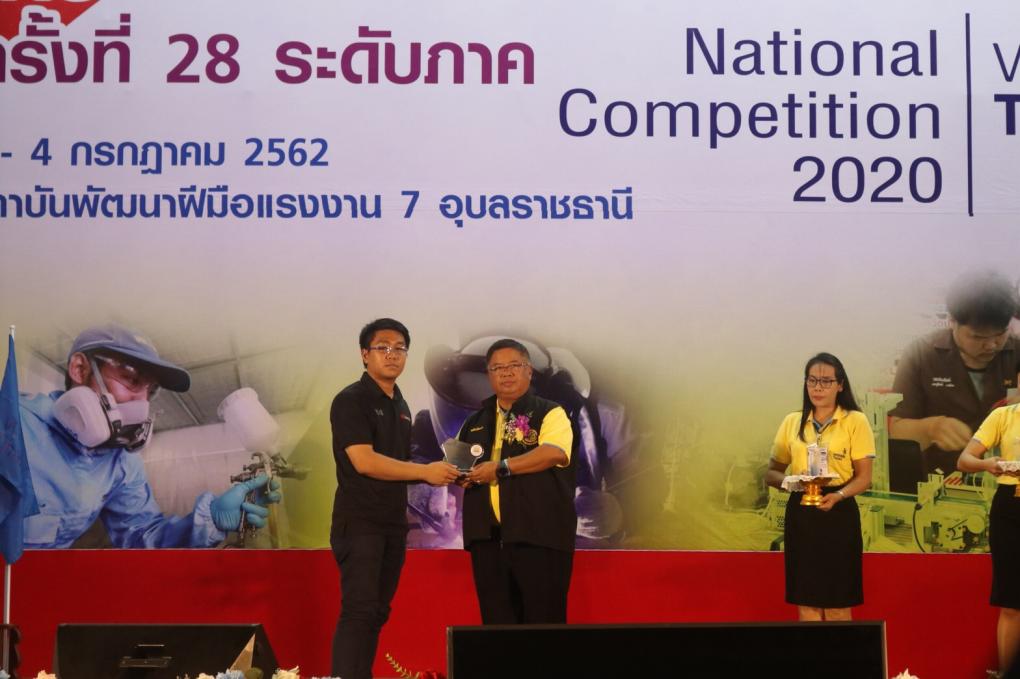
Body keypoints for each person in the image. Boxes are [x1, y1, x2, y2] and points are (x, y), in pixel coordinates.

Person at [19, 323, 279, 548]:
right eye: (131, 380)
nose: (143, 404)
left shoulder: (122, 462)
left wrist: (212, 519)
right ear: (79, 369)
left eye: (150, 391)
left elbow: (141, 535)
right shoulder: (14, 422)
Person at [407, 334, 646, 549]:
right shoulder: (448, 421)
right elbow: (420, 444)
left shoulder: (605, 419)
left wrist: (619, 514)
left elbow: (648, 492)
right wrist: (419, 483)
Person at [329, 318, 460, 679]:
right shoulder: (350, 400)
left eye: (400, 348)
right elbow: (364, 461)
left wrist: (450, 471)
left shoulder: (401, 406)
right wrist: (425, 472)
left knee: (376, 612)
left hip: (392, 524)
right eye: (382, 347)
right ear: (364, 354)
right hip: (360, 522)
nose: (392, 354)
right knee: (359, 610)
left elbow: (402, 465)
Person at [459, 338, 576, 624]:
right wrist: (460, 476)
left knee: (543, 624)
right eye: (498, 368)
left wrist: (501, 468)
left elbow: (554, 453)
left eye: (514, 365)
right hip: (487, 541)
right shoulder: (474, 421)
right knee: (496, 625)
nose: (506, 373)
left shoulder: (550, 412)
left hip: (539, 537)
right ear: (489, 375)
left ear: (529, 371)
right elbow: (459, 465)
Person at [766, 353, 875, 621]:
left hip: (839, 510)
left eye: (826, 381)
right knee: (807, 602)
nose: (818, 387)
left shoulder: (855, 421)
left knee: (838, 602)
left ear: (840, 385)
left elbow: (864, 477)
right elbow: (771, 473)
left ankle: (841, 650)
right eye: (812, 380)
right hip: (801, 512)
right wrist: (791, 482)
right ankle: (812, 650)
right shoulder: (792, 421)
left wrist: (838, 495)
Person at [890, 271, 1019, 475]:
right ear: (952, 321)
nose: (992, 345)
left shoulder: (1017, 352)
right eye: (977, 337)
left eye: (1000, 334)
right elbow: (896, 430)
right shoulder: (921, 354)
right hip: (941, 478)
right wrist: (931, 428)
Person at [957, 389, 1020, 677]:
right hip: (1011, 506)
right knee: (1011, 603)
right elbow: (965, 460)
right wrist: (988, 464)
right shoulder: (1004, 416)